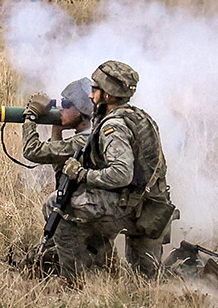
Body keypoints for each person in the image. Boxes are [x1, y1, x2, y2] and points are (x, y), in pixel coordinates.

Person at [37, 60, 176, 279]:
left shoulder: (114, 127)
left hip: (130, 207)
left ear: (108, 95)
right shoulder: (140, 117)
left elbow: (121, 173)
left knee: (58, 204)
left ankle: (73, 280)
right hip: (154, 207)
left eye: (95, 90)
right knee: (146, 280)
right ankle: (103, 265)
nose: (91, 96)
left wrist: (82, 174)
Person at [20, 79, 94, 281]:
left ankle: (70, 280)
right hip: (90, 213)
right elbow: (61, 167)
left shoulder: (82, 140)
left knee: (38, 260)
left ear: (80, 112)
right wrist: (57, 130)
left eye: (67, 104)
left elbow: (32, 151)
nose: (61, 107)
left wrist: (30, 118)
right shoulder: (90, 136)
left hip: (83, 215)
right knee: (35, 259)